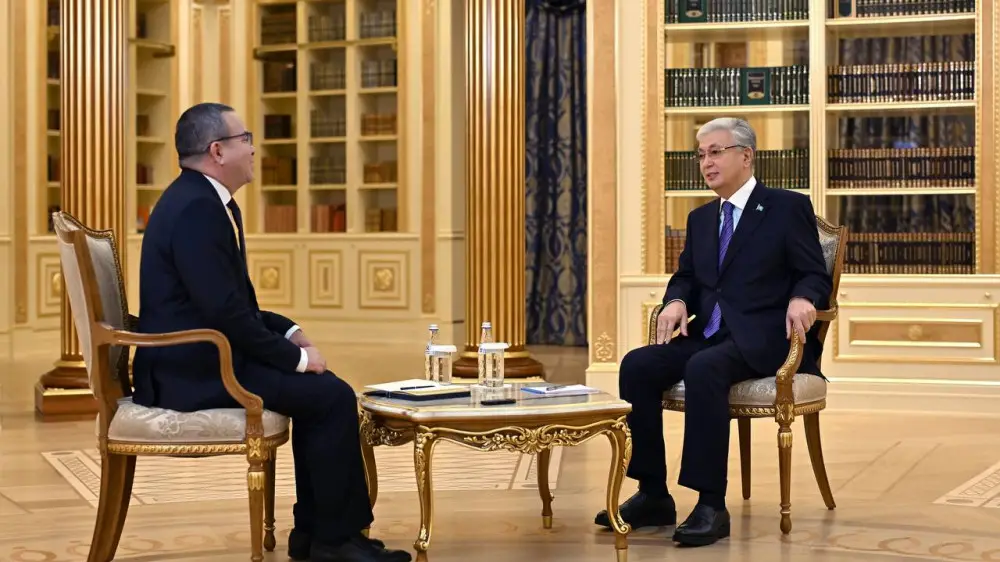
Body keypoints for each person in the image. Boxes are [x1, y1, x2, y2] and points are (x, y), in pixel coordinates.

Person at [132, 102, 411, 562]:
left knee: (324, 393)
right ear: (217, 151)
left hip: (203, 354)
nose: (253, 149)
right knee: (331, 397)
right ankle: (334, 540)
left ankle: (318, 534)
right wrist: (296, 360)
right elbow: (224, 313)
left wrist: (289, 331)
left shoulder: (201, 199)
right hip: (192, 368)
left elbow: (231, 305)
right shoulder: (197, 209)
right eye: (245, 139)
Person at [594, 117, 831, 547]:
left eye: (716, 152)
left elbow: (814, 273)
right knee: (638, 365)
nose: (706, 162)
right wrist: (676, 301)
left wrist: (802, 297)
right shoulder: (701, 218)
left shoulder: (786, 207)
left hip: (762, 337)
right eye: (701, 154)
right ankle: (653, 493)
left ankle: (710, 504)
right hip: (708, 334)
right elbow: (686, 276)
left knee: (705, 368)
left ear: (746, 156)